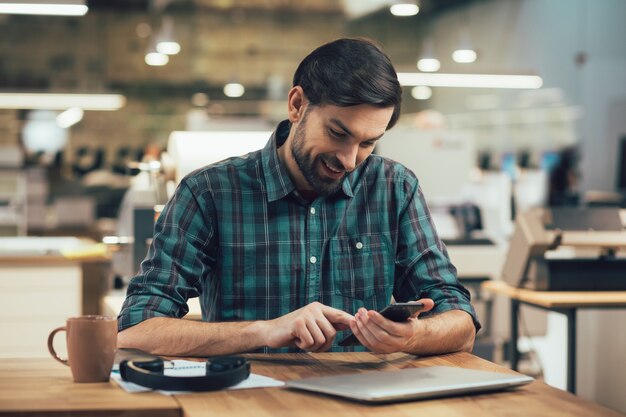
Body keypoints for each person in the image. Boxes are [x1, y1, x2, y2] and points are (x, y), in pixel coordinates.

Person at [118, 38, 480, 356]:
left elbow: (460, 320)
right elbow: (136, 331)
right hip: (247, 400)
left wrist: (412, 336)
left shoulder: (394, 188)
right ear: (296, 105)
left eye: (368, 143)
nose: (349, 160)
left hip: (365, 400)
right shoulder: (208, 193)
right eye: (338, 132)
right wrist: (265, 331)